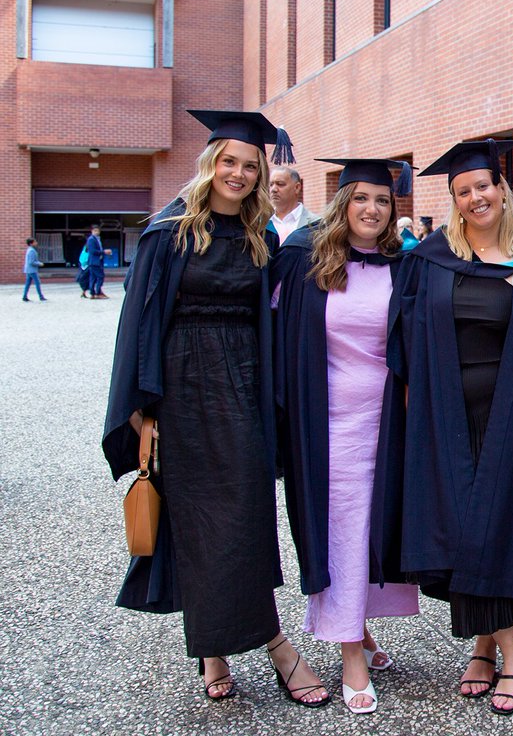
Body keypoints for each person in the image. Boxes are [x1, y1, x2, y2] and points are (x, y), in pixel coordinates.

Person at [102, 109, 329, 707]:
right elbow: (139, 324)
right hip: (182, 394)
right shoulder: (170, 232)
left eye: (250, 166)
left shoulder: (260, 238)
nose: (238, 173)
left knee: (250, 517)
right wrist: (141, 411)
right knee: (202, 525)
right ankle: (244, 647)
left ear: (261, 175)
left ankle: (242, 642)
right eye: (229, 162)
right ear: (210, 165)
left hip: (246, 388)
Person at [394, 139, 513, 715]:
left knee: (497, 529)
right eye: (464, 190)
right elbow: (406, 345)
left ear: (502, 191)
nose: (477, 197)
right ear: (453, 200)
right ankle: (508, 649)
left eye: (484, 186)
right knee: (463, 529)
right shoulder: (427, 259)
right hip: (446, 420)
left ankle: (490, 649)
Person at [272, 158, 420, 714]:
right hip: (328, 422)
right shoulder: (306, 263)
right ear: (342, 203)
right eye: (361, 199)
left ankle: (358, 626)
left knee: (375, 526)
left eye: (382, 201)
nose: (372, 209)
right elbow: (281, 342)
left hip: (388, 421)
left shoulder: (403, 265)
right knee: (343, 531)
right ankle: (350, 652)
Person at [269, 166, 319, 243]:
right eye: (271, 184)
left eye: (280, 184)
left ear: (297, 187)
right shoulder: (261, 222)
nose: (274, 189)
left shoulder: (316, 223)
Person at [85, 224, 112, 299]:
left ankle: (93, 293)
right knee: (100, 276)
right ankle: (98, 292)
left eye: (98, 231)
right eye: (95, 231)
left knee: (93, 278)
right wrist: (104, 252)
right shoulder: (91, 239)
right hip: (94, 262)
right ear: (92, 231)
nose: (97, 232)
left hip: (97, 261)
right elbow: (92, 251)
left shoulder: (97, 239)